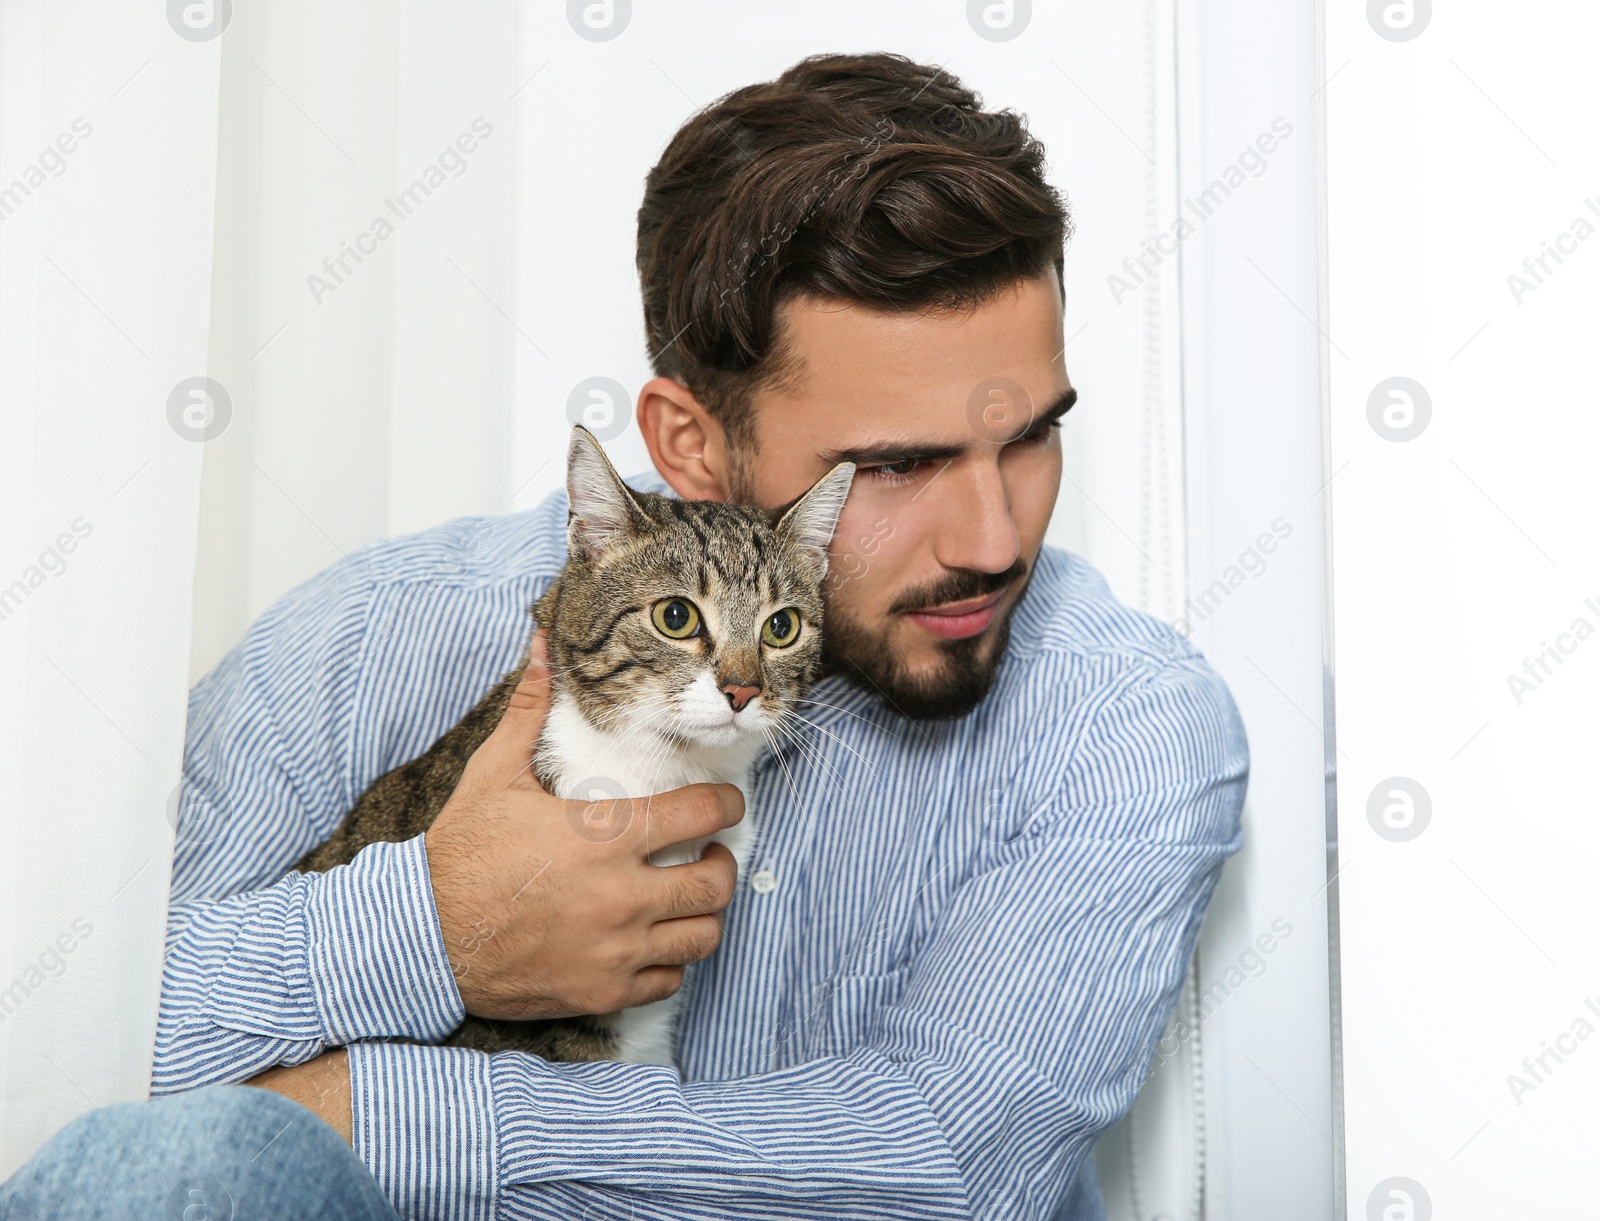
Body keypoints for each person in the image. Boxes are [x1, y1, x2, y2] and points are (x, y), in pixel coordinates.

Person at [2, 53, 1245, 1220]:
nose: (988, 536)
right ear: (687, 442)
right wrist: (427, 931)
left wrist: (366, 1111)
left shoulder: (1117, 717)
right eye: (899, 465)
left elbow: (942, 1164)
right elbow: (63, 1034)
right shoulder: (368, 640)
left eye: (1028, 435)